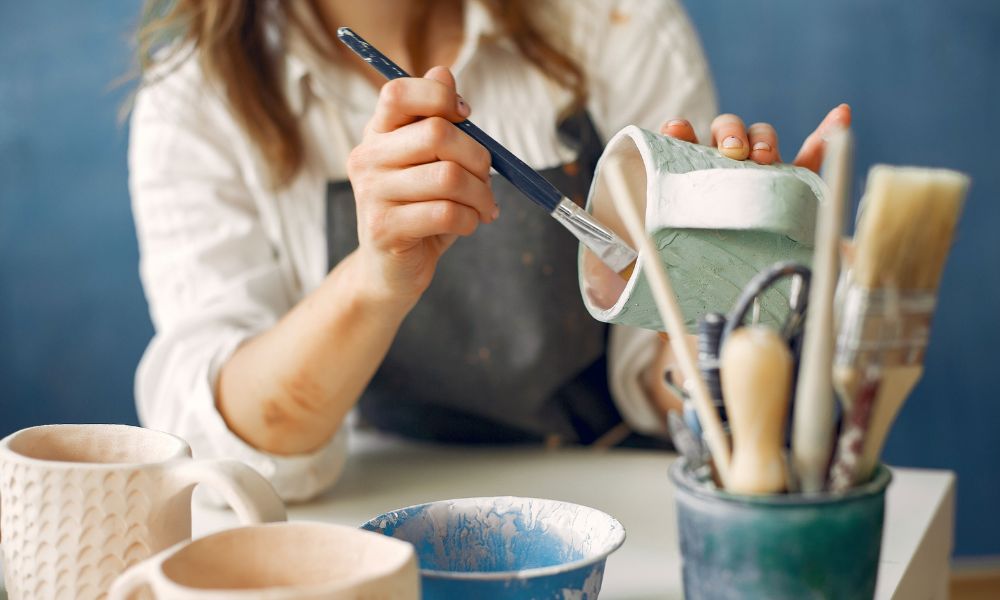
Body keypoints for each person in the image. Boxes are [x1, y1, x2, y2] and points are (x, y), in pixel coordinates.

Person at [130, 0, 850, 501]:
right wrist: (375, 277)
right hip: (365, 530)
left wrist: (737, 298)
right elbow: (217, 443)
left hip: (620, 508)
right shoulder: (194, 102)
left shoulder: (619, 25)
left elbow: (664, 376)